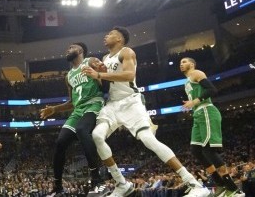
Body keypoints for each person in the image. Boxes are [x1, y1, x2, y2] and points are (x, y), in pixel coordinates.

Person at [83, 26, 211, 197]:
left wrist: (99, 75)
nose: (106, 36)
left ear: (120, 39)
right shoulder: (105, 58)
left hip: (131, 102)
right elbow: (106, 84)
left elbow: (129, 75)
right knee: (97, 136)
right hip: (112, 103)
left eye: (110, 34)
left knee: (149, 140)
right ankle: (121, 184)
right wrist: (94, 75)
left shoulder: (126, 52)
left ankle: (194, 183)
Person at [40, 42, 105, 196]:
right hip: (78, 110)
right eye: (68, 48)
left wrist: (101, 75)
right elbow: (72, 102)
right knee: (60, 142)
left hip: (94, 104)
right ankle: (58, 187)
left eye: (72, 47)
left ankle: (97, 180)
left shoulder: (90, 61)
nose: (68, 49)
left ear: (81, 50)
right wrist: (54, 109)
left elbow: (105, 80)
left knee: (82, 130)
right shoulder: (68, 76)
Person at [180, 57, 245, 197]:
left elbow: (212, 89)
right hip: (198, 115)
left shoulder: (196, 73)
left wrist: (195, 101)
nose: (181, 64)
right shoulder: (186, 81)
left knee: (209, 150)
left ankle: (234, 189)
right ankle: (220, 185)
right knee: (196, 151)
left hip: (206, 111)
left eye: (184, 62)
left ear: (192, 64)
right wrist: (191, 104)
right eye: (180, 63)